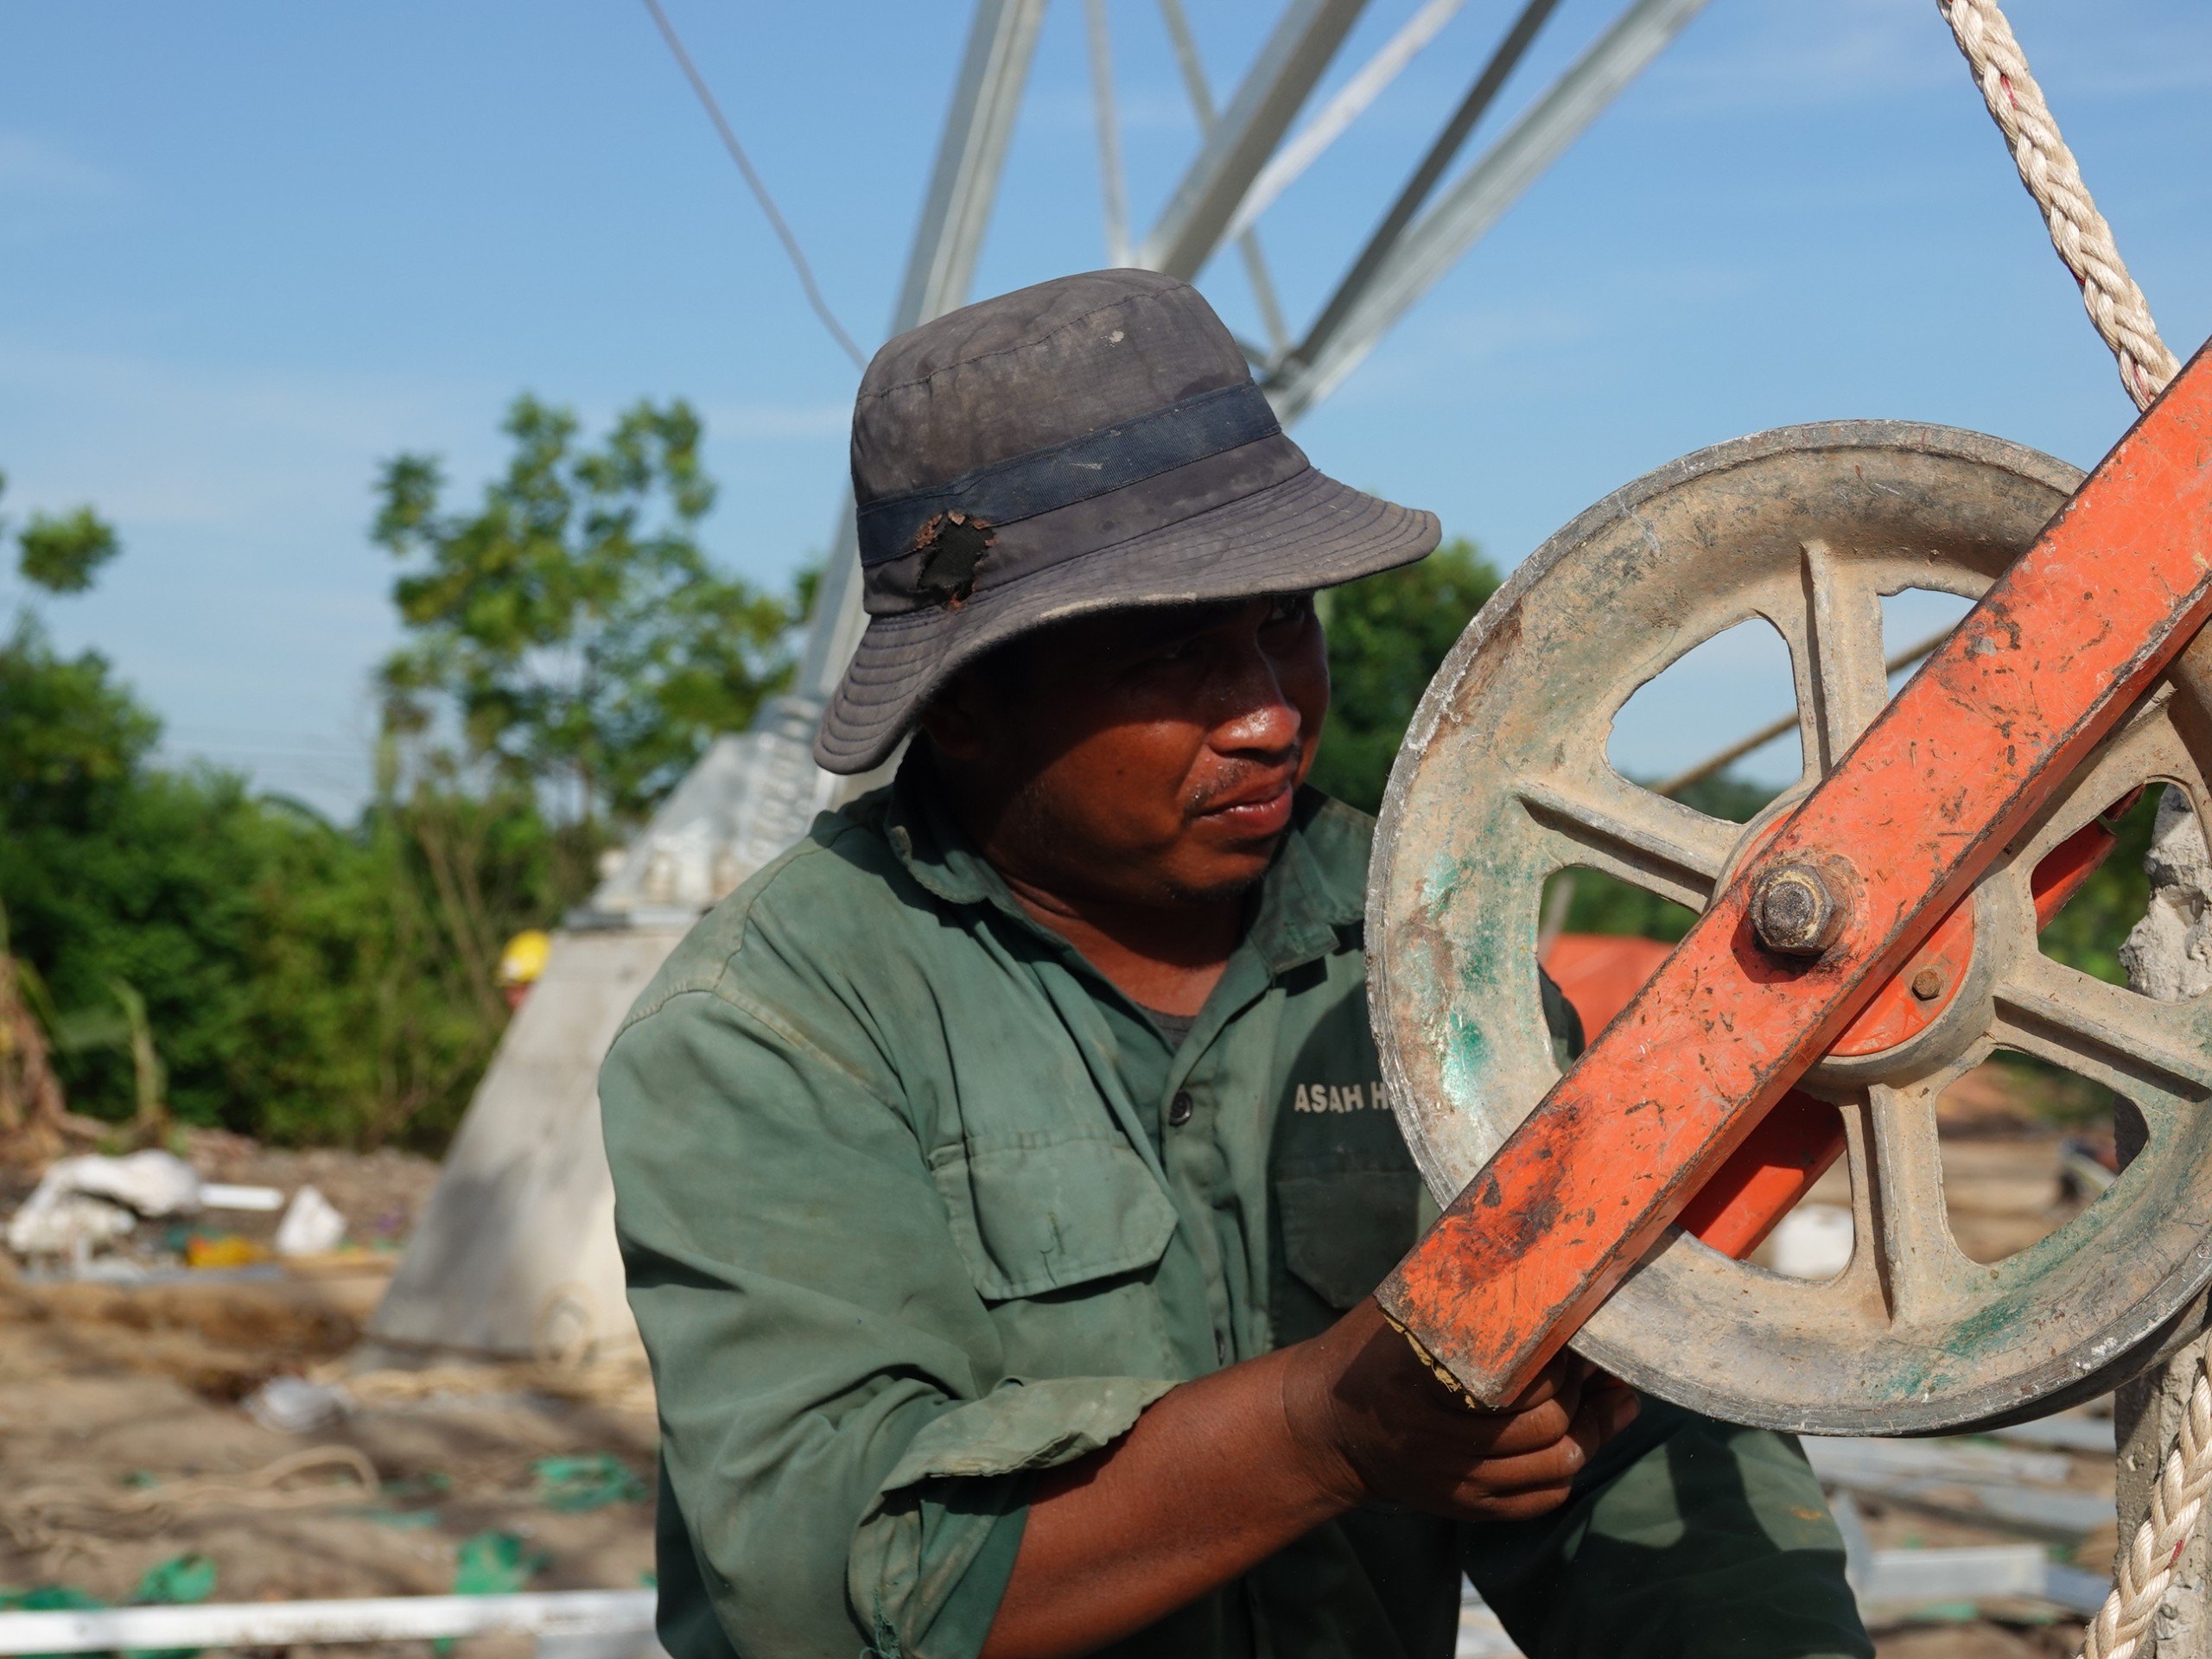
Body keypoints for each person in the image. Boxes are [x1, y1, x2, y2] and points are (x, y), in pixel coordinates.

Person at [600, 270, 1870, 1659]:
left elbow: (1634, 1433)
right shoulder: (771, 1031)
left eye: (1283, 624)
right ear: (964, 709)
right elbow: (826, 1587)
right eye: (1176, 655)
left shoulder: (1427, 956)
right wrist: (1329, 1430)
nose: (1268, 711)